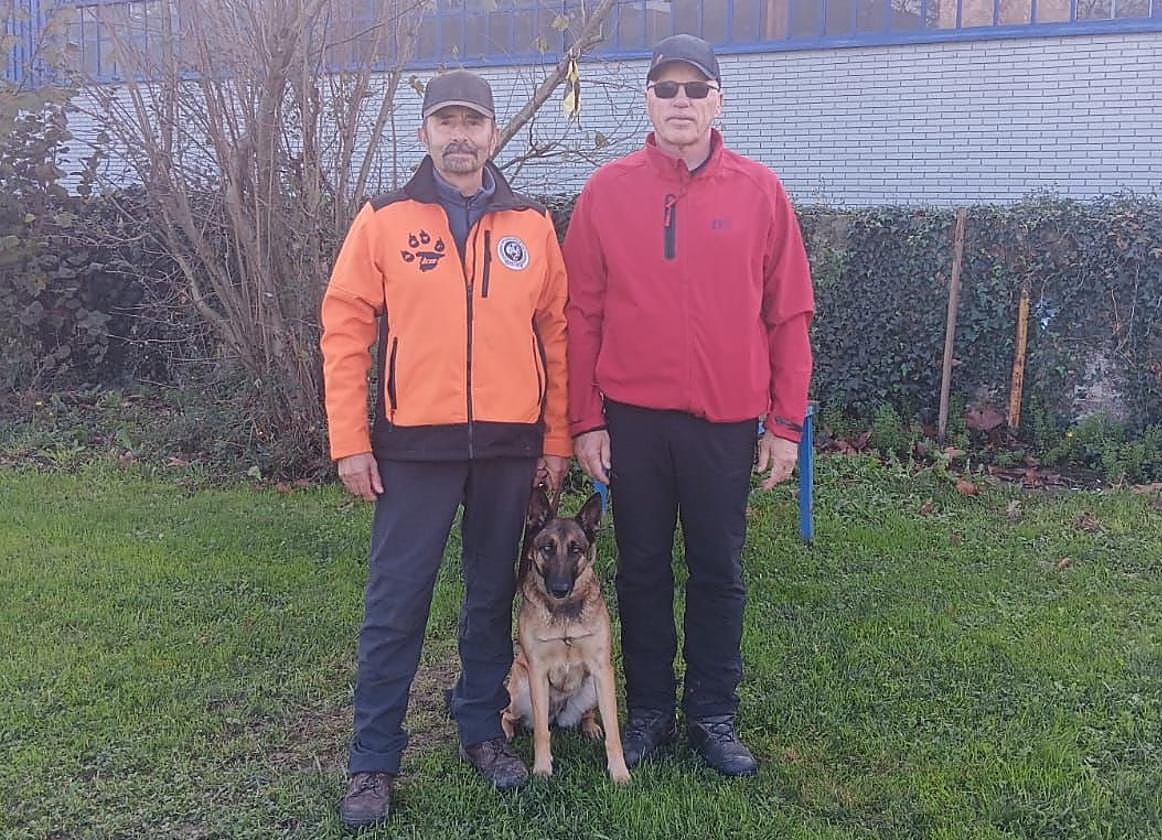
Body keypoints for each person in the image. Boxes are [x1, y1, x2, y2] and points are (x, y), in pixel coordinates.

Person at [320, 70, 571, 828]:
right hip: (411, 451)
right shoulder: (385, 219)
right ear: (424, 132)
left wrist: (555, 439)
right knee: (395, 606)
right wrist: (348, 440)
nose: (460, 135)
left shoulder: (532, 224)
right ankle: (373, 761)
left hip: (507, 451)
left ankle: (480, 730)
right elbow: (344, 328)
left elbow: (557, 337)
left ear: (494, 134)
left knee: (491, 599)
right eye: (445, 121)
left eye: (473, 122)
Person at [563, 34, 815, 778]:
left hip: (726, 422)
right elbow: (581, 315)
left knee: (717, 568)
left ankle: (711, 712)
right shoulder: (607, 191)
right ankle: (646, 712)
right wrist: (585, 419)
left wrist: (785, 424)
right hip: (634, 424)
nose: (680, 102)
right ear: (647, 100)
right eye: (666, 89)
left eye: (694, 89)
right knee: (640, 567)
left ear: (717, 102)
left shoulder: (759, 191)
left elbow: (789, 314)